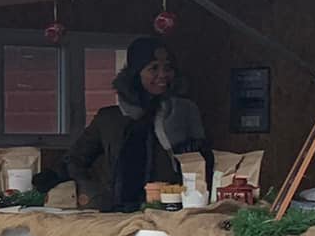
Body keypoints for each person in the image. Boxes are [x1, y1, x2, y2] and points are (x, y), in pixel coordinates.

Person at [65, 37, 215, 212]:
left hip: (169, 209)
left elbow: (204, 163)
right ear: (136, 74)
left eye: (168, 68)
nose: (162, 75)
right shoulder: (109, 118)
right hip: (115, 212)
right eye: (153, 68)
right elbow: (75, 159)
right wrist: (93, 191)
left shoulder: (184, 112)